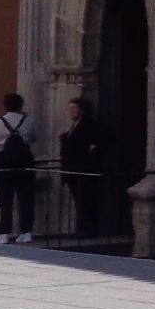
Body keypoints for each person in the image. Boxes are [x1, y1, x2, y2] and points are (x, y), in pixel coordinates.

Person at [0, 92, 37, 244]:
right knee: (26, 198)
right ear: (20, 105)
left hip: (4, 163)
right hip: (24, 163)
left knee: (5, 199)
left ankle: (4, 233)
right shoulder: (28, 121)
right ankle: (26, 231)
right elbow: (35, 138)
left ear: (5, 105)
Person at [57, 97, 108, 237]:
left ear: (82, 110)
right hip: (73, 170)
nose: (71, 111)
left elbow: (82, 147)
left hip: (83, 170)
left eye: (74, 108)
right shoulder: (74, 126)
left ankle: (87, 230)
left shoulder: (89, 125)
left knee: (86, 201)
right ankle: (82, 229)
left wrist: (65, 139)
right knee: (80, 202)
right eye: (70, 108)